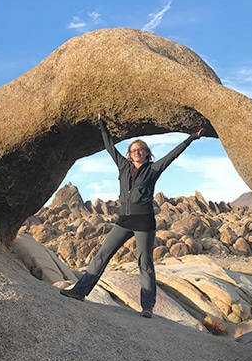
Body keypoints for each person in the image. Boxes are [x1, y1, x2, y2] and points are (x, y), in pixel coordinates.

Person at [60, 113, 204, 318]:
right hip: (124, 220)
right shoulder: (122, 166)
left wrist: (191, 138)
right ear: (130, 154)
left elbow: (173, 155)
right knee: (102, 254)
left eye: (141, 150)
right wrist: (102, 124)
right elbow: (109, 146)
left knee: (145, 263)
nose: (137, 152)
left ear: (146, 153)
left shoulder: (153, 169)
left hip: (144, 221)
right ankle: (79, 291)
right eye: (134, 150)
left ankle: (147, 307)